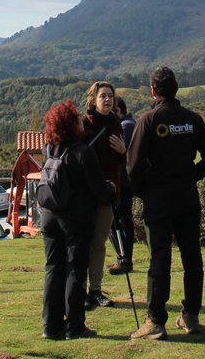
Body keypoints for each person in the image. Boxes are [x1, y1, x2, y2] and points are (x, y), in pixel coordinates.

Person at [126, 66, 205, 339]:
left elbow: (132, 168)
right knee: (192, 257)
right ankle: (190, 316)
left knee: (160, 259)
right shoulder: (192, 119)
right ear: (176, 89)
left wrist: (144, 190)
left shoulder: (148, 120)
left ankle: (155, 321)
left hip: (158, 201)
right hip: (188, 198)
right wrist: (191, 175)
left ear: (153, 91)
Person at [39, 100, 114, 340]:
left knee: (53, 269)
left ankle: (51, 327)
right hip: (75, 219)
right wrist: (110, 189)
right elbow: (99, 191)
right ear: (71, 124)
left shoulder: (47, 149)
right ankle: (75, 326)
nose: (81, 121)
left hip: (48, 216)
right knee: (75, 270)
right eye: (77, 119)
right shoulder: (83, 152)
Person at [80, 81, 125, 309]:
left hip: (108, 195)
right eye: (103, 96)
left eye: (110, 96)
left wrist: (123, 152)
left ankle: (95, 290)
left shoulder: (117, 125)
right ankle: (79, 292)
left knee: (99, 244)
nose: (107, 100)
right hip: (84, 196)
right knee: (82, 243)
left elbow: (122, 162)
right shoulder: (82, 125)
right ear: (93, 100)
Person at [107, 96, 137, 276]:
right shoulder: (132, 124)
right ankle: (125, 258)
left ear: (118, 110)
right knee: (125, 220)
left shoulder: (125, 127)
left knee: (115, 221)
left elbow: (117, 154)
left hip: (122, 182)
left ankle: (123, 258)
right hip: (128, 181)